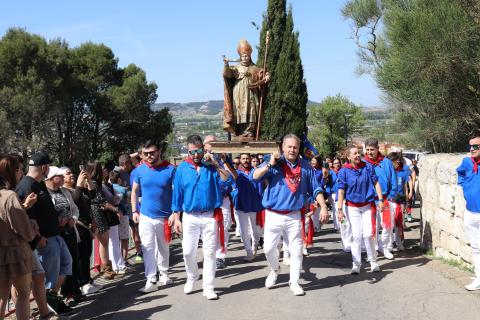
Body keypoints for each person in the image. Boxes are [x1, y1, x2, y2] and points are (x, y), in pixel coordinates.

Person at [253, 134, 329, 296]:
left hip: (294, 215)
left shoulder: (306, 167)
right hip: (273, 214)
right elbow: (255, 177)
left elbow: (315, 189)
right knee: (268, 249)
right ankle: (275, 270)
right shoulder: (274, 163)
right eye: (289, 147)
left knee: (296, 251)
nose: (292, 150)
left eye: (295, 147)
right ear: (282, 147)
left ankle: (294, 282)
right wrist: (269, 164)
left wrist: (323, 206)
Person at [171, 135, 233, 300]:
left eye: (199, 151)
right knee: (187, 252)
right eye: (192, 152)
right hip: (190, 216)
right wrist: (176, 217)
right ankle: (192, 276)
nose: (196, 155)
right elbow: (177, 195)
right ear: (188, 151)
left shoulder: (211, 168)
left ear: (203, 149)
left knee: (210, 253)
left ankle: (208, 286)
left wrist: (216, 163)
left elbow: (228, 180)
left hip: (209, 215)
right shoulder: (182, 169)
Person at [15, 152, 74, 315]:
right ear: (44, 167)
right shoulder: (26, 186)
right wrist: (38, 238)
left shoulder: (38, 183)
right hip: (45, 240)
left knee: (67, 263)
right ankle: (47, 305)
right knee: (46, 276)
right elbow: (25, 217)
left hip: (55, 235)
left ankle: (51, 298)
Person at [131, 140, 175, 293]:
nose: (149, 156)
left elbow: (176, 193)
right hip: (145, 217)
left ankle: (164, 274)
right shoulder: (140, 170)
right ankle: (151, 279)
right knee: (148, 248)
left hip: (164, 218)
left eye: (152, 153)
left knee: (163, 247)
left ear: (159, 151)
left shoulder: (170, 169)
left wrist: (175, 214)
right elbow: (135, 191)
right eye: (146, 153)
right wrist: (134, 211)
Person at [0, 154, 39, 320]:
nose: (21, 174)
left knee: (2, 298)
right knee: (23, 295)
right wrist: (33, 225)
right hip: (16, 253)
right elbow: (25, 231)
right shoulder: (9, 196)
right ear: (12, 171)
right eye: (20, 170)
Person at [337, 145, 384, 275]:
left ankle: (373, 261)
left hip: (367, 205)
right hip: (352, 207)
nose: (358, 155)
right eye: (355, 154)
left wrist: (380, 200)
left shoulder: (368, 167)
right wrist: (339, 209)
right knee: (356, 236)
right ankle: (356, 264)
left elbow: (376, 183)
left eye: (358, 153)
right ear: (348, 157)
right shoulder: (344, 171)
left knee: (368, 234)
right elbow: (341, 191)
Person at [45, 167, 83, 303]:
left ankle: (72, 291)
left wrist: (73, 218)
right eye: (59, 176)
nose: (63, 178)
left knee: (71, 261)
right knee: (60, 265)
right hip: (55, 234)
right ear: (50, 178)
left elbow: (74, 209)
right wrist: (57, 222)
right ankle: (56, 295)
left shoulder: (64, 191)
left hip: (69, 231)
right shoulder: (45, 193)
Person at [62, 167, 101, 296]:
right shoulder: (65, 191)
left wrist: (88, 180)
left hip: (87, 224)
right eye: (68, 173)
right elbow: (75, 200)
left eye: (71, 172)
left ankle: (88, 279)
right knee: (80, 256)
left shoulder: (77, 189)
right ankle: (83, 283)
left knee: (87, 254)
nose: (71, 174)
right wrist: (79, 184)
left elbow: (93, 195)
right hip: (77, 226)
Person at [223, 39, 271, 137]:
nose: (245, 58)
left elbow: (262, 73)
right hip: (239, 93)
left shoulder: (254, 67)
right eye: (243, 56)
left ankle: (250, 131)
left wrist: (267, 75)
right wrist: (226, 65)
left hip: (251, 92)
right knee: (239, 110)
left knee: (252, 109)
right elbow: (227, 74)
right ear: (240, 57)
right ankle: (240, 132)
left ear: (250, 56)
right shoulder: (235, 68)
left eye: (247, 56)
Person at [203, 135, 235, 270]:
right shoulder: (200, 159)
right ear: (204, 146)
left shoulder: (223, 158)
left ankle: (220, 256)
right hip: (207, 202)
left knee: (224, 228)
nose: (212, 145)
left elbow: (232, 178)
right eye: (209, 143)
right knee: (207, 230)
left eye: (214, 142)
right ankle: (209, 254)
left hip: (222, 200)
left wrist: (222, 160)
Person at [363, 138, 398, 260]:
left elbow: (393, 179)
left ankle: (386, 247)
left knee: (387, 225)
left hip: (386, 198)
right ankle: (374, 250)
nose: (369, 152)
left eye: (372, 149)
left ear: (378, 149)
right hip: (370, 201)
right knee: (373, 226)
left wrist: (391, 196)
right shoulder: (363, 164)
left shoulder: (386, 162)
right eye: (367, 150)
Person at [85, 160, 118, 280]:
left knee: (104, 242)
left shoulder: (95, 182)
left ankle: (106, 268)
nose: (104, 170)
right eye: (101, 168)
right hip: (97, 213)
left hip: (98, 212)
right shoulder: (93, 182)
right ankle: (106, 269)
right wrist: (115, 209)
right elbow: (99, 200)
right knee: (104, 242)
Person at [457, 135, 480, 291]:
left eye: (476, 146)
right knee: (476, 248)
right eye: (470, 146)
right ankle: (479, 277)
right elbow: (460, 173)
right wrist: (464, 185)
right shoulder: (466, 162)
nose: (471, 149)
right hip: (470, 213)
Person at [232, 153, 262, 261]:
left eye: (247, 158)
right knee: (244, 230)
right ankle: (249, 252)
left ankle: (254, 247)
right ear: (240, 160)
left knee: (255, 229)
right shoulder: (237, 173)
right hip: (241, 205)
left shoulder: (256, 171)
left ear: (251, 159)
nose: (246, 160)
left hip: (253, 204)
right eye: (243, 159)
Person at [331, 158, 352, 251]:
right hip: (337, 200)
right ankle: (345, 243)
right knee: (343, 223)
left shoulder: (345, 171)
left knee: (349, 223)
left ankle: (350, 241)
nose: (337, 165)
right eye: (335, 163)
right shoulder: (331, 173)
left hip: (347, 200)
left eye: (338, 163)